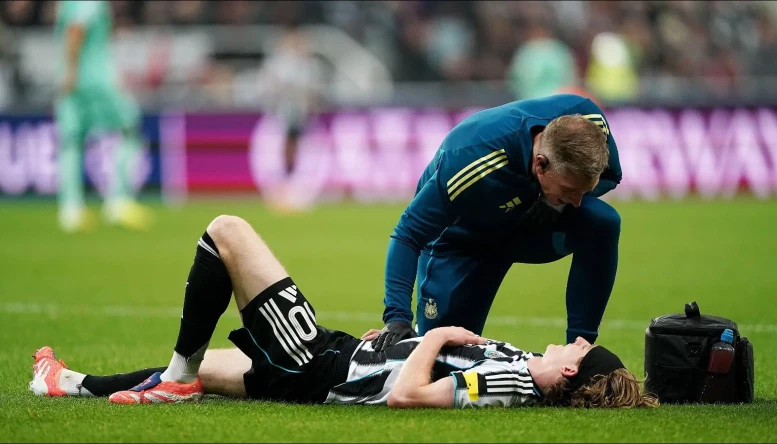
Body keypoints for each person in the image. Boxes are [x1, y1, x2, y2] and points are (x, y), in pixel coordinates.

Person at [29, 215, 656, 409]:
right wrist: (395, 345)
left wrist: (432, 335)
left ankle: (170, 375)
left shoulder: (514, 382)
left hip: (320, 365)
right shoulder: (520, 372)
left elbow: (409, 397)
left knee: (227, 231)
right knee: (207, 380)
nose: (572, 342)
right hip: (336, 362)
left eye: (578, 348)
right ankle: (69, 383)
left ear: (573, 372)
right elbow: (411, 372)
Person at [373, 93, 623, 352]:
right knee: (442, 357)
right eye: (569, 190)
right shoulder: (471, 161)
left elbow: (612, 177)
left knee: (602, 221)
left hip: (527, 227)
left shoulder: (591, 124)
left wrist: (553, 201)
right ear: (541, 164)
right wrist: (397, 317)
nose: (577, 202)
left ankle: (580, 351)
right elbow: (407, 234)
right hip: (464, 241)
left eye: (584, 190)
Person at [55, 0, 152, 232]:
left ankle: (70, 210)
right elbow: (76, 31)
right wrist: (72, 71)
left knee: (71, 140)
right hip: (96, 81)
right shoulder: (89, 3)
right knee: (130, 127)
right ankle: (118, 201)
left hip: (73, 79)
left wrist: (67, 73)